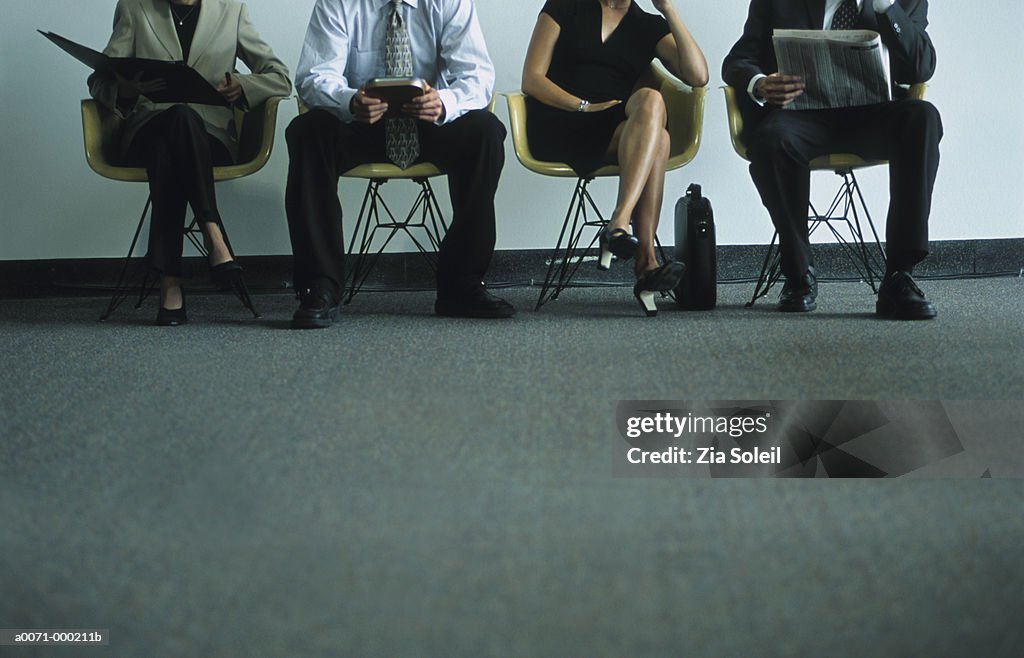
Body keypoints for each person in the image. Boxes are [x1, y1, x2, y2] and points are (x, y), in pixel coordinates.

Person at [286, 0, 514, 329]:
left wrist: (444, 102)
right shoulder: (338, 3)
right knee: (307, 131)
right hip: (360, 123)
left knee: (486, 131)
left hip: (429, 122)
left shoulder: (450, 2)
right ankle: (320, 285)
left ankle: (461, 284)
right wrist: (349, 100)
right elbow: (313, 76)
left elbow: (477, 76)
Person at [723, 0, 942, 319]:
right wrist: (760, 84)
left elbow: (921, 67)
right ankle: (799, 273)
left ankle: (899, 277)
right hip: (802, 116)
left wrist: (886, 8)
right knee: (771, 139)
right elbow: (738, 59)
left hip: (871, 116)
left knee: (923, 118)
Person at [89, 0, 291, 326]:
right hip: (147, 127)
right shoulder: (135, 7)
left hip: (210, 138)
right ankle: (213, 234)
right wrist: (125, 90)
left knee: (168, 147)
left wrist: (244, 85)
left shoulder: (231, 9)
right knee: (171, 128)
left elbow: (280, 77)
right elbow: (98, 81)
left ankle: (169, 280)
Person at [521, 0, 708, 316]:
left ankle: (624, 231)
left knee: (654, 113)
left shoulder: (647, 25)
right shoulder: (565, 7)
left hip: (609, 125)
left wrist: (669, 11)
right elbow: (532, 78)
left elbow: (698, 75)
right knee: (658, 136)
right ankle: (643, 259)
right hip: (559, 120)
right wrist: (582, 105)